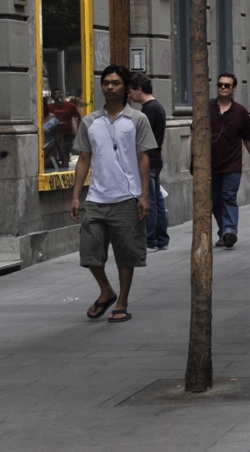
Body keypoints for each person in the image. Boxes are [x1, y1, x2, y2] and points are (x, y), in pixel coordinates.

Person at [70, 65, 156, 323]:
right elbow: (83, 159)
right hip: (96, 198)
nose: (109, 87)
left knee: (126, 253)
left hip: (127, 198)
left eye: (115, 83)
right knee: (89, 252)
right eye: (106, 82)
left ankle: (122, 302)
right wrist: (76, 196)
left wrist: (144, 195)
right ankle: (106, 290)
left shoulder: (137, 119)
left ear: (126, 87)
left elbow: (143, 158)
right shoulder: (90, 121)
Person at [210, 72, 250, 249]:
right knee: (216, 201)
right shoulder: (207, 107)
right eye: (220, 85)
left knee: (229, 197)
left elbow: (248, 139)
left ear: (234, 89)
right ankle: (224, 232)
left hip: (232, 164)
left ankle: (230, 229)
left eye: (227, 85)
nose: (223, 88)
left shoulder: (240, 112)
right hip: (210, 165)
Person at [129, 73, 168, 252]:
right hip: (155, 159)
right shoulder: (157, 106)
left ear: (139, 90)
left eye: (131, 91)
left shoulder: (149, 110)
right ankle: (161, 239)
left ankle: (151, 240)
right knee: (157, 199)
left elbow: (141, 138)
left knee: (149, 199)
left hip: (149, 160)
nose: (130, 95)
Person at [48, 87, 81, 169]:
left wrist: (78, 129)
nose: (58, 95)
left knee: (65, 150)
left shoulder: (70, 106)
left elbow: (79, 117)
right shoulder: (49, 107)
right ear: (52, 97)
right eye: (56, 94)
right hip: (54, 134)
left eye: (60, 93)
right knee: (56, 151)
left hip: (67, 133)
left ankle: (65, 165)